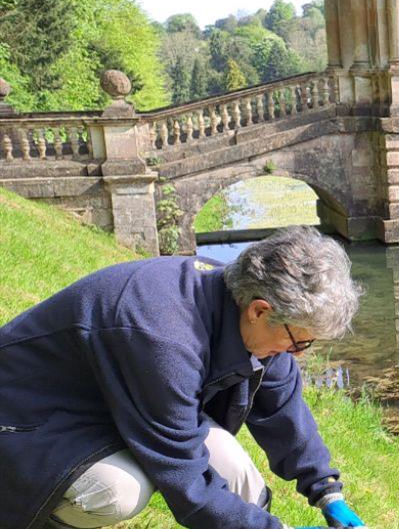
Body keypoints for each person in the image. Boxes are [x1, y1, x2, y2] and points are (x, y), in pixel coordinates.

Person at [0, 226, 366, 529]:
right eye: (299, 341)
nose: (299, 353)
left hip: (118, 402)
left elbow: (282, 408)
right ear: (259, 310)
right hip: (31, 420)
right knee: (118, 490)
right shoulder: (162, 336)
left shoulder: (244, 306)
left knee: (236, 470)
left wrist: (326, 490)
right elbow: (183, 477)